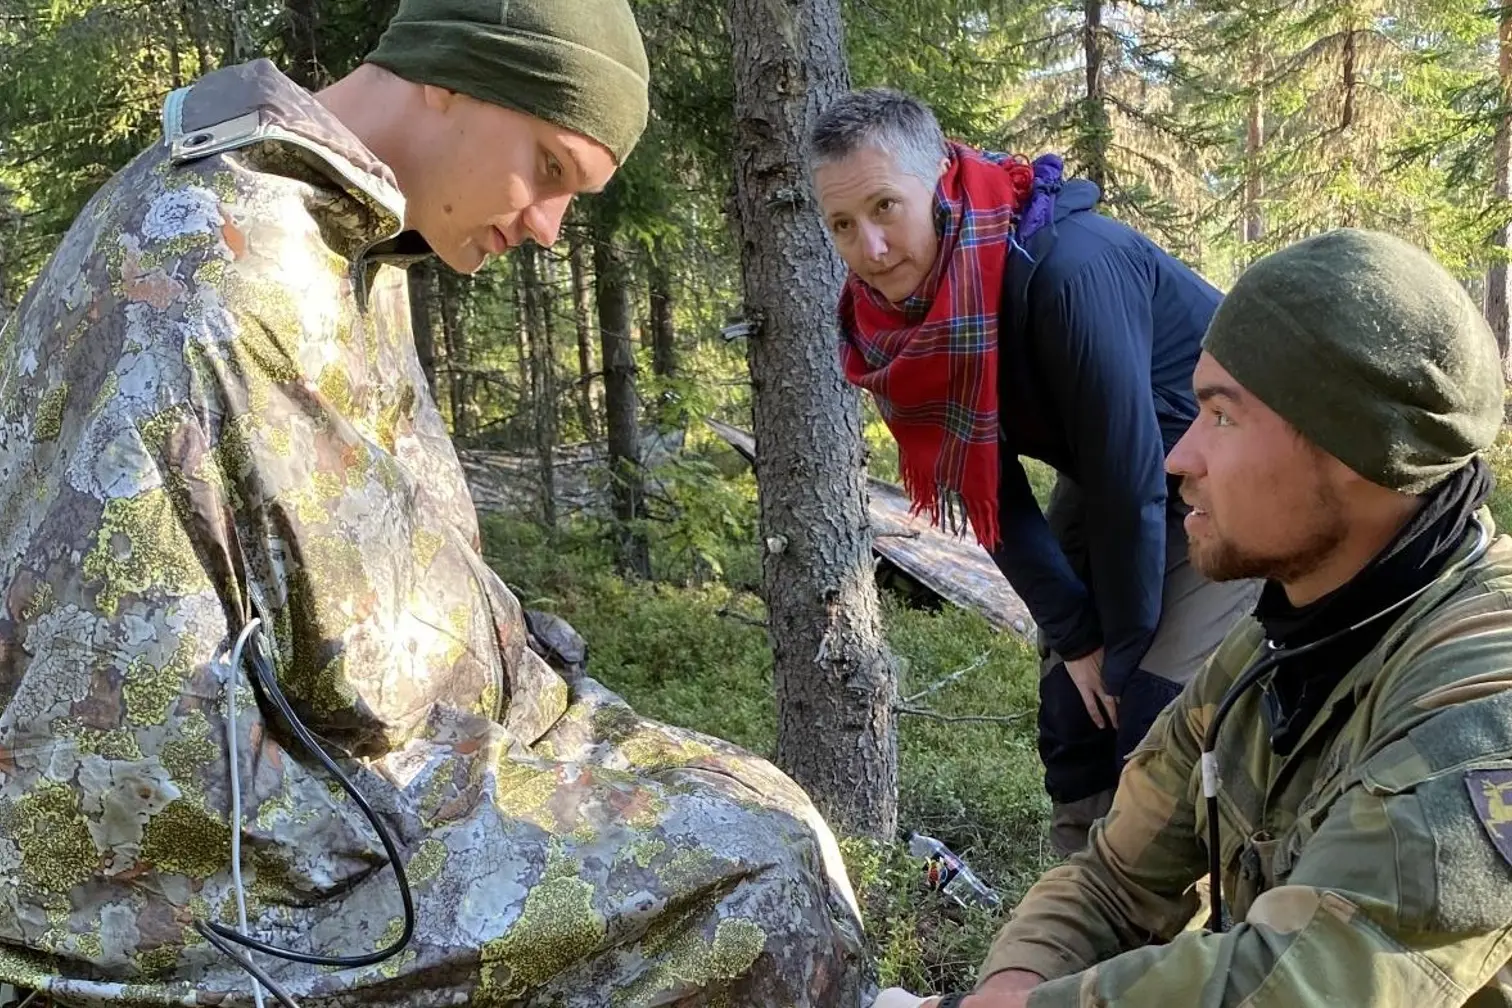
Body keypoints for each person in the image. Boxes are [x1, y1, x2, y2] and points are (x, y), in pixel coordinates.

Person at [0, 0, 872, 1004]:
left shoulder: (339, 235)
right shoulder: (228, 271)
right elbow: (154, 757)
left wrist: (545, 717)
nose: (549, 229)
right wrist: (507, 773)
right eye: (548, 169)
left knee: (768, 814)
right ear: (453, 75)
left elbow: (404, 585)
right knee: (758, 892)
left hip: (352, 789)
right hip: (187, 892)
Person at [905, 228, 1512, 1007]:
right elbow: (1112, 880)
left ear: (1360, 453)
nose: (1179, 457)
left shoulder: (1487, 698)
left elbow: (1297, 991)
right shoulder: (1278, 641)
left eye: (1222, 418)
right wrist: (1011, 986)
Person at [808, 89, 1259, 854]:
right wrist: (1078, 639)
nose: (870, 249)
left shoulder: (1065, 272)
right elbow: (988, 493)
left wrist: (1119, 655)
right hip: (1117, 471)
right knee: (1069, 705)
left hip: (1241, 468)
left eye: (887, 207)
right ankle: (1075, 920)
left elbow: (1131, 487)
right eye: (843, 225)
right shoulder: (892, 328)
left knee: (1151, 714)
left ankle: (1179, 933)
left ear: (941, 180)